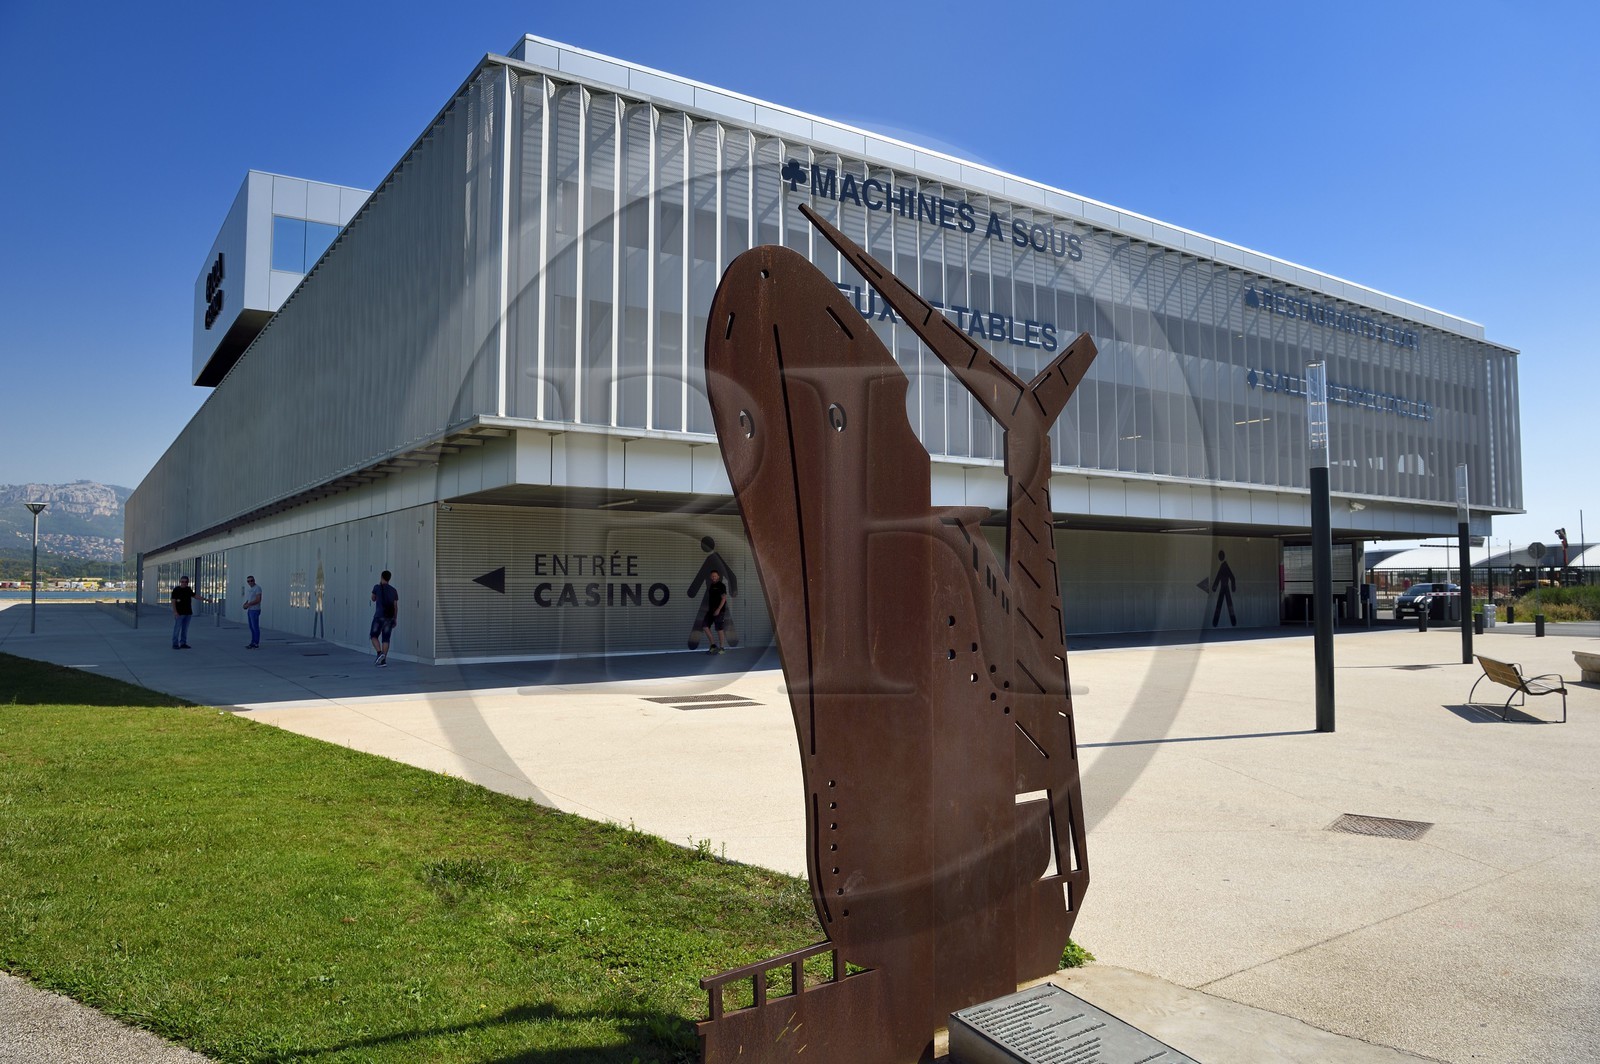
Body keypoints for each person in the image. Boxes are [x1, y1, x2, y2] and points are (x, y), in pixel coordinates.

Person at [370, 570, 398, 666]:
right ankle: (383, 661)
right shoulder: (393, 590)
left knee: (373, 636)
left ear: (381, 577)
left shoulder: (377, 587)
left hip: (379, 616)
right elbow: (395, 606)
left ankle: (379, 653)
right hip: (389, 618)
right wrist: (395, 618)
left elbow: (373, 598)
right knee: (386, 639)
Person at [170, 575, 204, 649]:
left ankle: (183, 643)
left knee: (185, 629)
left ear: (188, 583)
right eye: (182, 581)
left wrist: (205, 599)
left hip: (188, 613)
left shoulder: (188, 589)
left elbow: (195, 596)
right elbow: (173, 601)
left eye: (186, 582)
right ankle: (175, 644)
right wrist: (175, 612)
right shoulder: (176, 590)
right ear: (180, 582)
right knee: (177, 628)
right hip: (179, 613)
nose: (184, 583)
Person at [701, 569, 729, 654]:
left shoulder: (721, 586)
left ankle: (722, 648)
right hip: (711, 611)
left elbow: (724, 599)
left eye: (715, 576)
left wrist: (718, 609)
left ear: (718, 576)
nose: (714, 577)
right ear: (710, 577)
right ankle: (713, 645)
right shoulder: (711, 586)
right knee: (705, 626)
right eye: (712, 576)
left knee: (719, 629)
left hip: (719, 611)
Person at [1211, 550, 1237, 628]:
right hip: (1225, 588)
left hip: (1224, 588)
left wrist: (1214, 587)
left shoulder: (1224, 566)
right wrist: (1233, 588)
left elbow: (1219, 577)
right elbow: (1232, 577)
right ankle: (1233, 622)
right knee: (1228, 605)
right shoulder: (1224, 565)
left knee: (1220, 605)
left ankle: (1215, 622)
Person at [242, 575, 263, 648]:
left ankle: (256, 642)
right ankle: (252, 641)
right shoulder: (250, 589)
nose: (250, 582)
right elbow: (249, 599)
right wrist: (246, 604)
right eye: (248, 581)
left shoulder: (257, 588)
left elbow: (258, 600)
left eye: (251, 580)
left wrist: (248, 604)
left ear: (254, 580)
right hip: (250, 610)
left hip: (255, 610)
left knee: (255, 627)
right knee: (251, 627)